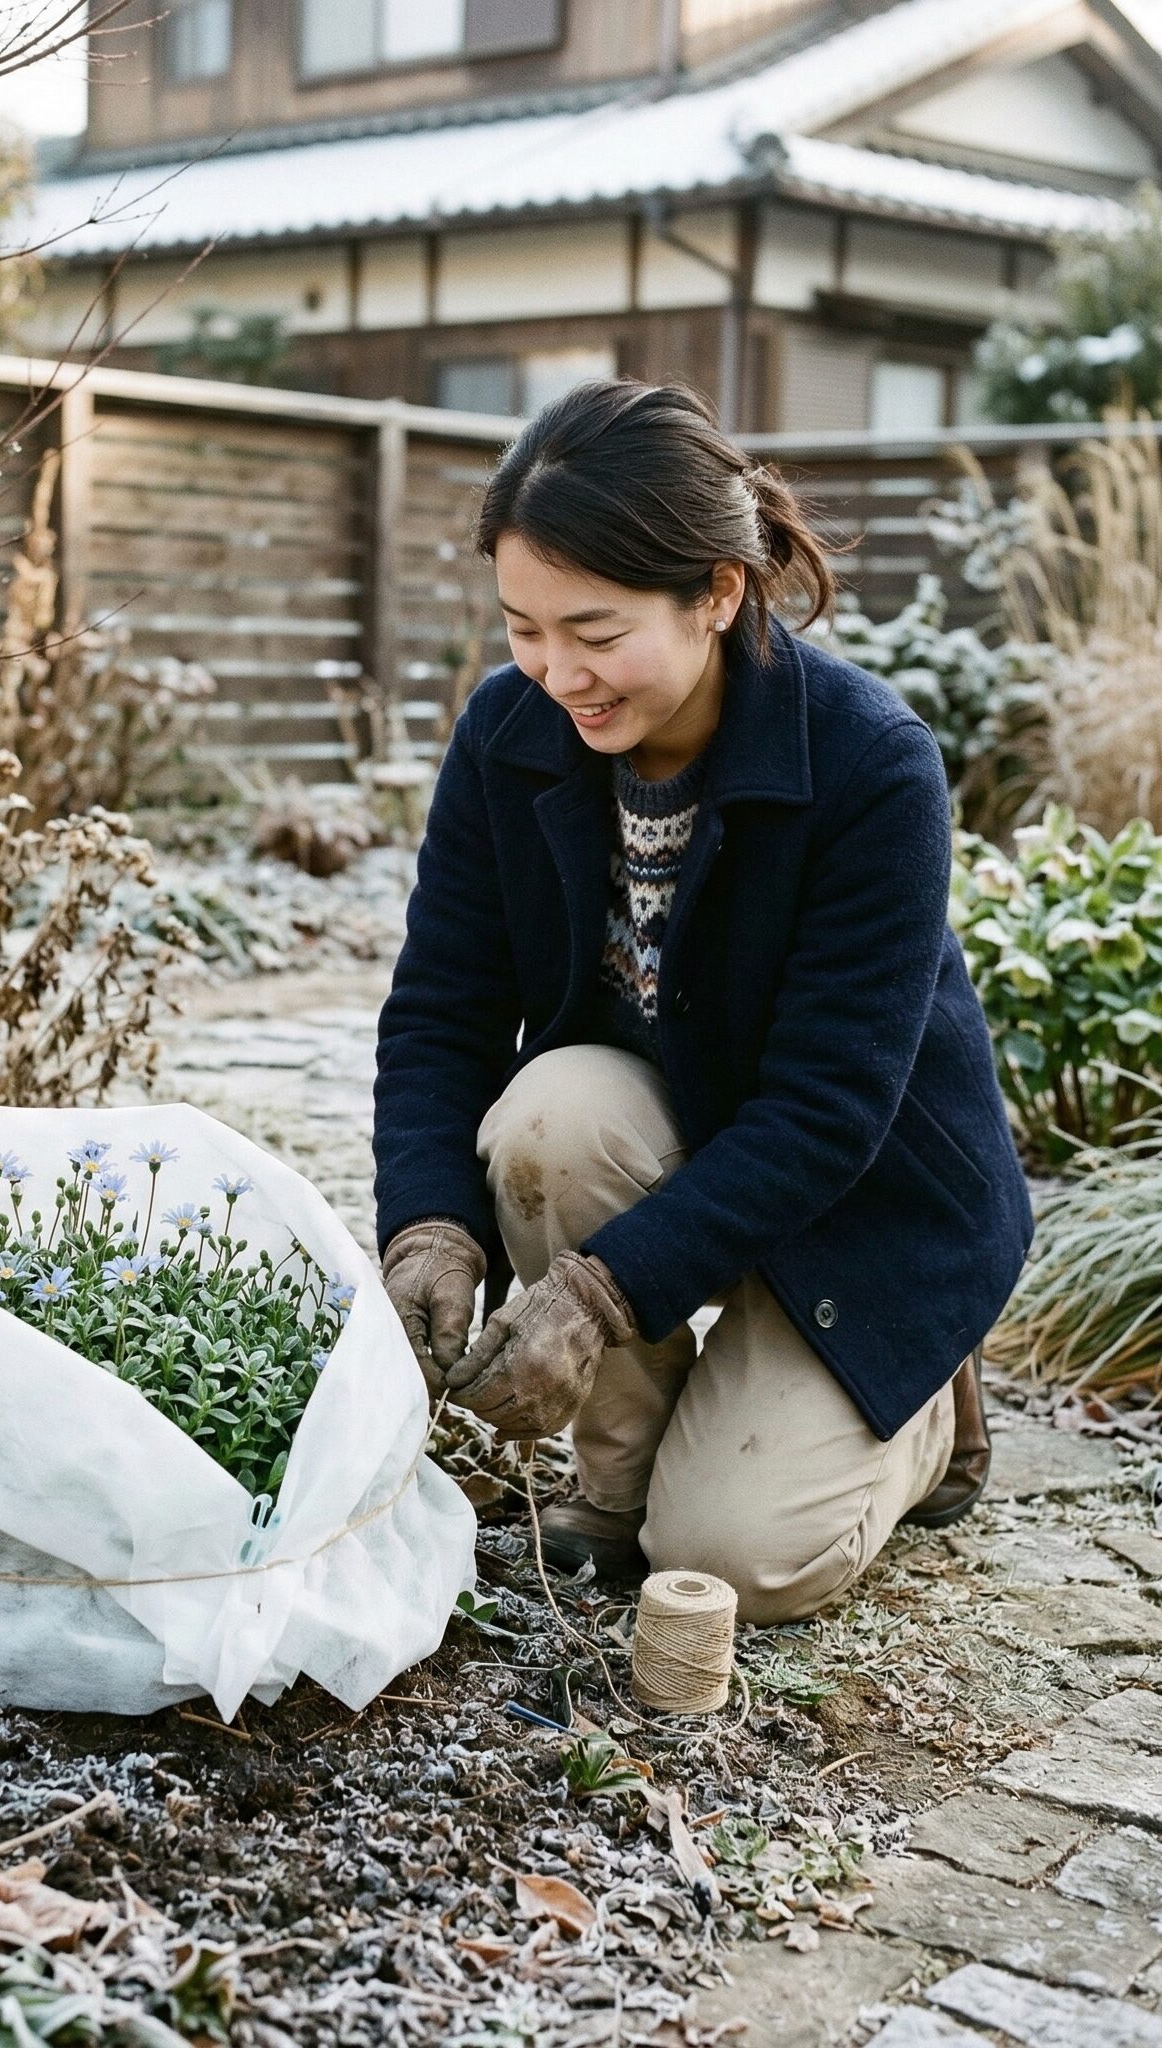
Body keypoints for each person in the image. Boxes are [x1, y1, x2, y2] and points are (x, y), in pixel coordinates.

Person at [373, 380, 1032, 1623]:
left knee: (734, 1559)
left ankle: (928, 1399)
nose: (556, 672)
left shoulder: (867, 763)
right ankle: (620, 1482)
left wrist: (592, 1292)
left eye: (596, 630)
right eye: (521, 626)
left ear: (717, 593)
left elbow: (828, 1113)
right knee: (545, 1118)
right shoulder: (506, 734)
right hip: (667, 1139)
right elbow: (439, 1011)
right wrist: (429, 1226)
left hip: (863, 1202)